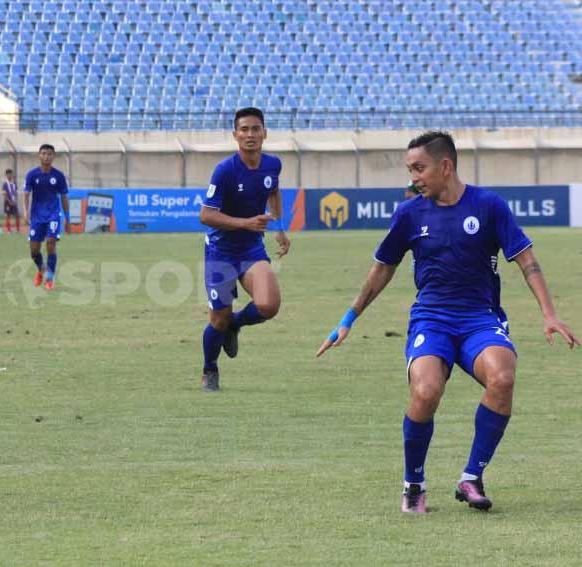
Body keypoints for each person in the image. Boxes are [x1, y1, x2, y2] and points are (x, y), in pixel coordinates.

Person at [316, 131, 578, 514]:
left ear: (446, 166)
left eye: (419, 168)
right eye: (409, 170)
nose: (413, 178)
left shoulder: (488, 206)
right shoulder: (409, 213)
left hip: (479, 319)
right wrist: (349, 318)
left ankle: (471, 477)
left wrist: (549, 314)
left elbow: (527, 260)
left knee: (502, 378)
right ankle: (414, 485)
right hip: (432, 320)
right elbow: (381, 270)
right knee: (425, 392)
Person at [198, 107, 291, 392]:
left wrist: (278, 226)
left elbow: (272, 191)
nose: (250, 135)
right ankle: (210, 370)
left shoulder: (272, 165)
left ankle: (235, 324)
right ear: (235, 135)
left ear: (265, 133)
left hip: (251, 249)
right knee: (218, 318)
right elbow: (206, 215)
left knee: (269, 305)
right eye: (244, 130)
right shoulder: (225, 170)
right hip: (221, 251)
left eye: (255, 129)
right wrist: (245, 222)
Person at [23, 144, 70, 290]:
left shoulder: (59, 176)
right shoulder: (32, 175)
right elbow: (26, 194)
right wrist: (25, 211)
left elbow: (63, 197)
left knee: (50, 243)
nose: (46, 156)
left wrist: (67, 216)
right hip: (37, 216)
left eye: (49, 154)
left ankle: (49, 278)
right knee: (34, 251)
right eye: (43, 153)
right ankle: (41, 270)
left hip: (53, 214)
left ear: (53, 156)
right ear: (39, 155)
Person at [1, 168, 21, 233]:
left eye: (11, 174)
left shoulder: (14, 183)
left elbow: (15, 192)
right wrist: (9, 201)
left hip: (14, 202)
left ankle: (18, 230)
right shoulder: (5, 184)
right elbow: (4, 194)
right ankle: (9, 230)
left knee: (17, 215)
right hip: (7, 202)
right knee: (8, 215)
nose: (10, 175)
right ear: (6, 175)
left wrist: (15, 200)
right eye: (8, 174)